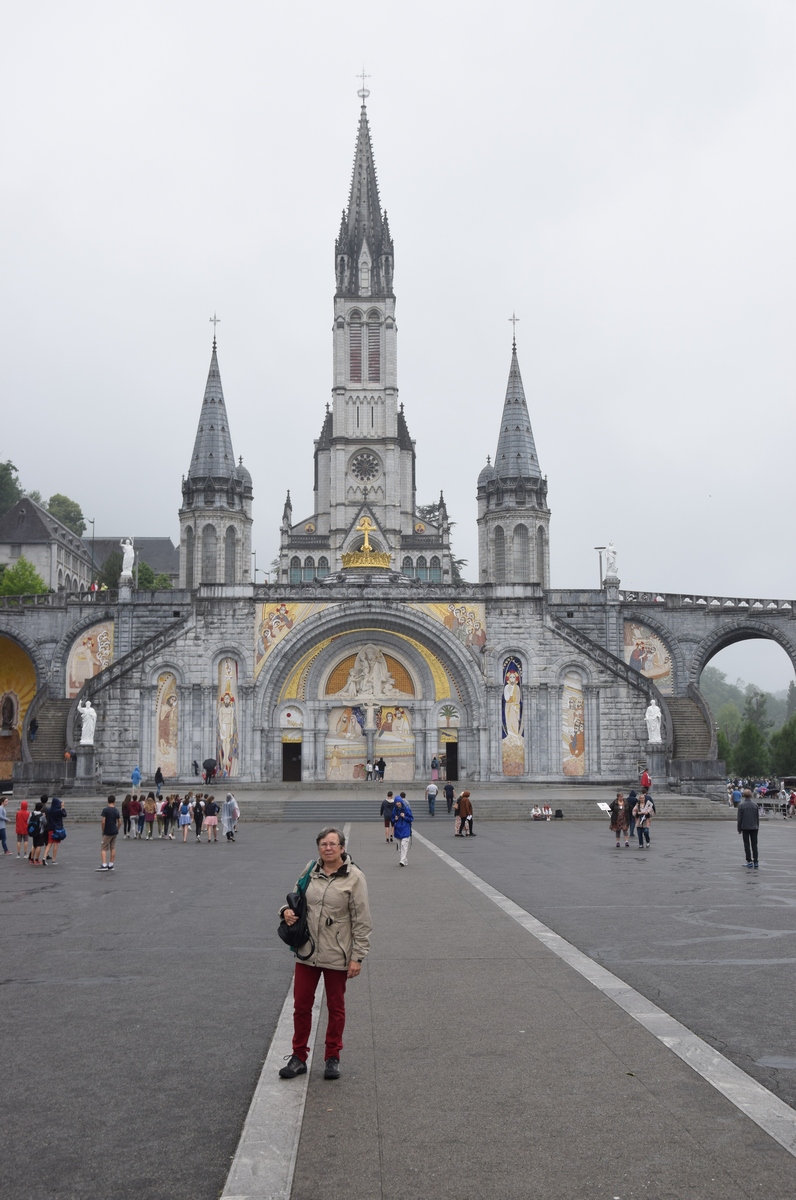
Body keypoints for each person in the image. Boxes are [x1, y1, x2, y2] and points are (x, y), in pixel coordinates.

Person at [737, 788, 760, 868]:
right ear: (751, 795)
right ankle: (756, 861)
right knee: (754, 845)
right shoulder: (755, 805)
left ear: (743, 795)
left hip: (745, 827)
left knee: (746, 844)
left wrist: (739, 829)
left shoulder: (741, 805)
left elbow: (739, 818)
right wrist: (757, 826)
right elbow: (757, 818)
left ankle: (749, 861)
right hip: (754, 827)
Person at [98, 795, 120, 871]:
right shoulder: (116, 810)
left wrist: (103, 830)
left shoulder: (105, 810)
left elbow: (103, 821)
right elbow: (120, 822)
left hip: (107, 831)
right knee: (112, 848)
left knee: (103, 848)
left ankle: (104, 865)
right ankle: (111, 864)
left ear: (108, 801)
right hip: (114, 831)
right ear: (114, 801)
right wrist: (117, 828)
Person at [44, 796, 67, 863]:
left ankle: (44, 857)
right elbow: (65, 814)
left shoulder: (49, 810)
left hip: (50, 829)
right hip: (57, 829)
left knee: (49, 843)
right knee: (56, 844)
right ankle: (54, 859)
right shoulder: (58, 811)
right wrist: (63, 807)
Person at [392, 796, 413, 865]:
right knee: (400, 847)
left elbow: (411, 818)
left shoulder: (406, 809)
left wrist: (404, 816)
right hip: (398, 829)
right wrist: (395, 819)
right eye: (396, 802)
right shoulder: (395, 810)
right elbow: (392, 819)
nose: (398, 803)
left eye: (399, 802)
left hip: (405, 829)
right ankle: (404, 859)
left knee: (404, 844)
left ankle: (402, 860)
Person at [28, 801, 48, 865]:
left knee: (34, 845)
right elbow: (45, 823)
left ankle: (31, 859)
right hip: (40, 832)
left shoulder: (31, 814)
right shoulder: (41, 815)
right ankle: (36, 859)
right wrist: (44, 816)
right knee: (39, 845)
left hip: (33, 831)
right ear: (41, 808)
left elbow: (28, 821)